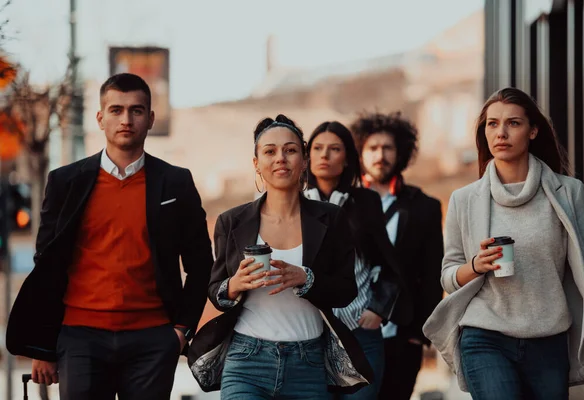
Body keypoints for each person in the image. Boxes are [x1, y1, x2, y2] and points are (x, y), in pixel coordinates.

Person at [6, 73, 214, 400]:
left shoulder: (175, 182)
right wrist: (43, 347)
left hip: (152, 339)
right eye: (116, 110)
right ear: (100, 119)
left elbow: (202, 264)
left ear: (150, 119)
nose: (126, 119)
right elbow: (46, 267)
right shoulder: (65, 182)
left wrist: (180, 332)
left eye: (136, 110)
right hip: (80, 338)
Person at [423, 87, 584, 399]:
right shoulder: (464, 200)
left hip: (549, 338)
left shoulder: (568, 193)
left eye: (513, 123)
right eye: (492, 124)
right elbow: (449, 276)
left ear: (532, 131)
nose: (500, 133)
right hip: (485, 336)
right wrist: (476, 266)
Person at [187, 114, 373, 399]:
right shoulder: (232, 221)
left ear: (304, 160)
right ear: (256, 163)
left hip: (308, 363)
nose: (280, 158)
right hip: (246, 359)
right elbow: (215, 290)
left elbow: (346, 290)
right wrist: (235, 285)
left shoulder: (332, 218)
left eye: (290, 150)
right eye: (270, 151)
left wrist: (306, 278)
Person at [304, 121, 411, 399]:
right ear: (307, 156)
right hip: (307, 334)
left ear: (348, 158)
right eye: (317, 148)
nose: (324, 155)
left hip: (360, 333)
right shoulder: (294, 203)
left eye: (334, 149)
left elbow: (390, 264)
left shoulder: (365, 201)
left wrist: (378, 309)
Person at [350, 111, 444, 400]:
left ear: (400, 152)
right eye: (373, 148)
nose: (380, 155)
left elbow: (431, 273)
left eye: (388, 148)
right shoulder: (343, 203)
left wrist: (419, 333)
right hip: (351, 331)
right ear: (360, 154)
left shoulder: (424, 206)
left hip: (402, 336)